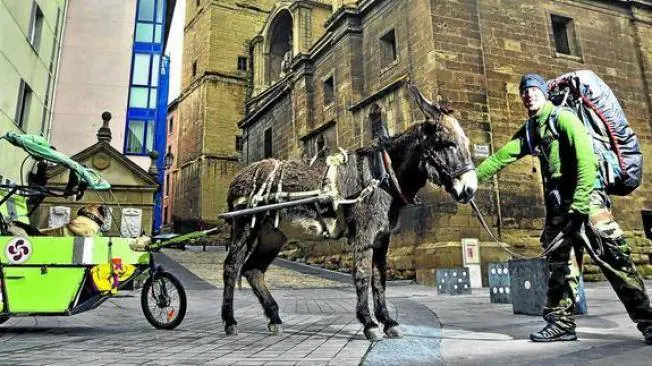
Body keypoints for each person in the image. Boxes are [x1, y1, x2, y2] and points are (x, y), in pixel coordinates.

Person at [476, 73, 652, 344]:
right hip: (559, 209)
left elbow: (586, 160)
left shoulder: (564, 118)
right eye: (524, 91)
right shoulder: (532, 129)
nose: (529, 94)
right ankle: (560, 323)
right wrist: (472, 179)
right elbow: (503, 156)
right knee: (560, 266)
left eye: (534, 90)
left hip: (588, 203)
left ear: (544, 93)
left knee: (616, 262)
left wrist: (581, 203)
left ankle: (649, 322)